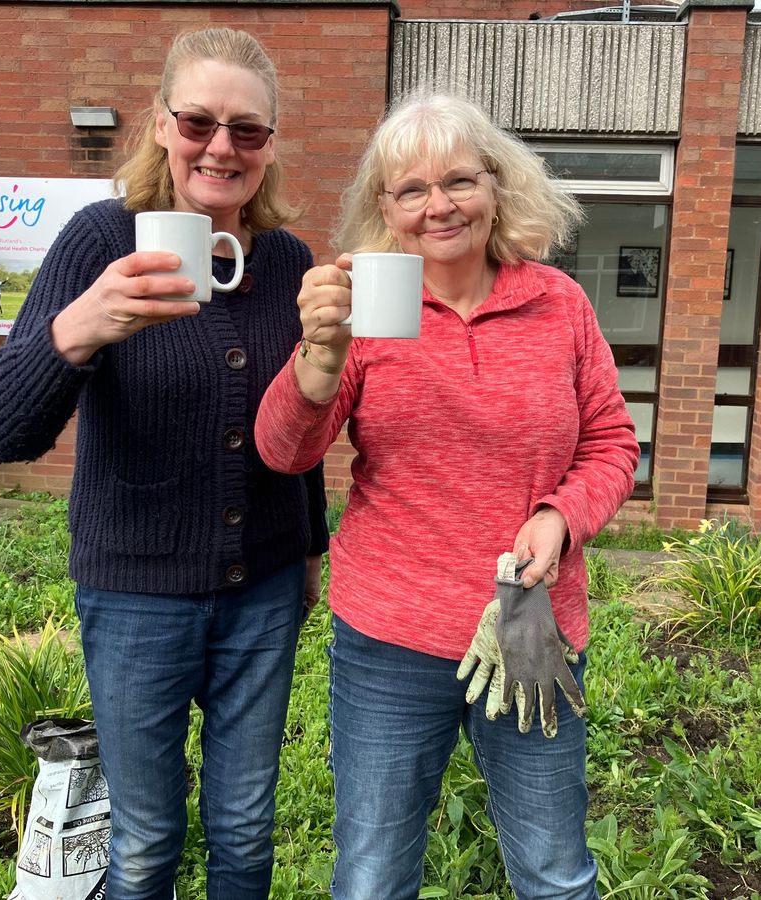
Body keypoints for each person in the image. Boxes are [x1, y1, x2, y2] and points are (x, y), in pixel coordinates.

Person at [0, 28, 328, 900]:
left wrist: (309, 552)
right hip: (135, 597)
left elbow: (299, 422)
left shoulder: (286, 261)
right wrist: (80, 327)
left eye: (248, 130)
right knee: (145, 839)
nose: (221, 146)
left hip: (265, 589)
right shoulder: (100, 241)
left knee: (245, 826)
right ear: (161, 126)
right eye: (199, 120)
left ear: (269, 147)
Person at [255, 91, 640, 899]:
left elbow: (611, 444)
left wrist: (559, 517)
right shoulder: (371, 308)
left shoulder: (558, 305)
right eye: (411, 190)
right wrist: (320, 358)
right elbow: (285, 451)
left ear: (498, 186)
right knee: (372, 877)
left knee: (554, 871)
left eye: (459, 181)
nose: (440, 206)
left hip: (530, 625)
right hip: (390, 638)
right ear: (385, 210)